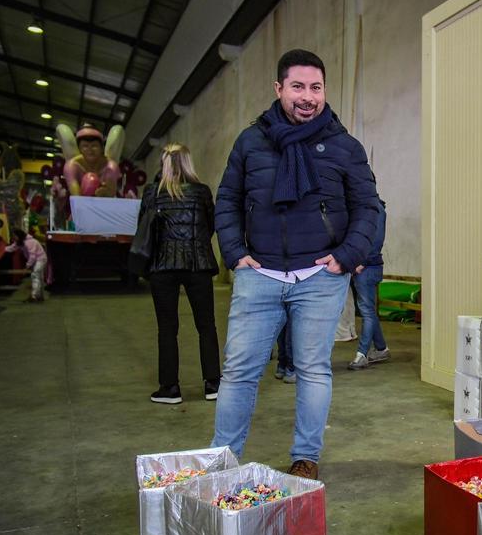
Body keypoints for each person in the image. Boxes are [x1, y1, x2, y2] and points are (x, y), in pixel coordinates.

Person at [212, 48, 380, 480]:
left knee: (313, 369)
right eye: (298, 87)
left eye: (316, 87)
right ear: (279, 89)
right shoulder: (251, 142)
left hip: (319, 278)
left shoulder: (345, 146)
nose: (308, 96)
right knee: (238, 371)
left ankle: (306, 457)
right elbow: (227, 200)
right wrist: (234, 255)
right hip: (258, 274)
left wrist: (345, 258)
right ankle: (222, 460)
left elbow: (368, 207)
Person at [141, 144, 221, 405]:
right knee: (206, 325)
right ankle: (212, 384)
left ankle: (170, 388)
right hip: (197, 263)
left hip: (163, 266)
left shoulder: (152, 193)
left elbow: (145, 231)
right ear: (188, 162)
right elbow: (210, 226)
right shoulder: (201, 192)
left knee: (167, 328)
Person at [348, 198, 389, 370]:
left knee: (366, 311)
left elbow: (376, 239)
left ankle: (362, 354)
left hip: (367, 267)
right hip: (360, 266)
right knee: (368, 310)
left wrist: (362, 262)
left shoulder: (376, 209)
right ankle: (381, 349)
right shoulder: (362, 207)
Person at [4, 229, 47, 302]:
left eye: (14, 236)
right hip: (37, 260)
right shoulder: (20, 242)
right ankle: (39, 296)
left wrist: (27, 267)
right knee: (38, 277)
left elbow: (32, 256)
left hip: (40, 259)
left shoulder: (30, 242)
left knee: (35, 275)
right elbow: (11, 248)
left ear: (19, 235)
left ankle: (34, 296)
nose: (13, 237)